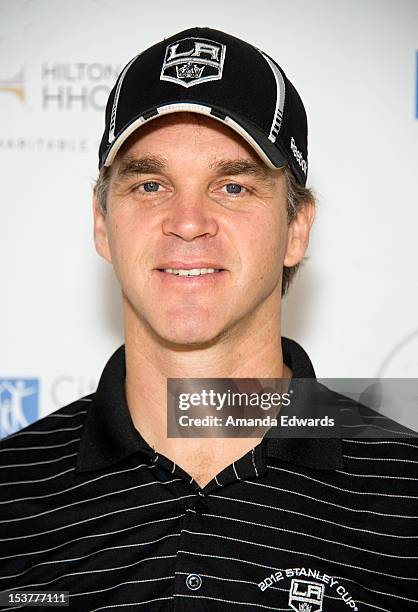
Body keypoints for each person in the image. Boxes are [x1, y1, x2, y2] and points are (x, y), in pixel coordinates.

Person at [0, 27, 417, 612]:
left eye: (232, 186)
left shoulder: (406, 496)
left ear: (297, 227)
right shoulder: (10, 494)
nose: (188, 221)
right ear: (102, 222)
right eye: (150, 184)